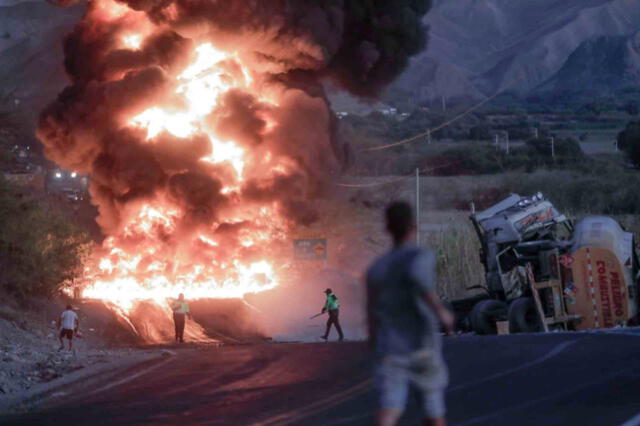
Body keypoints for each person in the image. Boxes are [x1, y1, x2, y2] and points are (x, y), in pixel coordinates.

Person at [366, 201, 455, 426]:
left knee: (389, 409)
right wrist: (442, 313)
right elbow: (420, 281)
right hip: (421, 346)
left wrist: (374, 343)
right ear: (412, 227)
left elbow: (371, 313)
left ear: (387, 228)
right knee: (434, 414)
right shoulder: (419, 256)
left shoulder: (376, 268)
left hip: (390, 349)